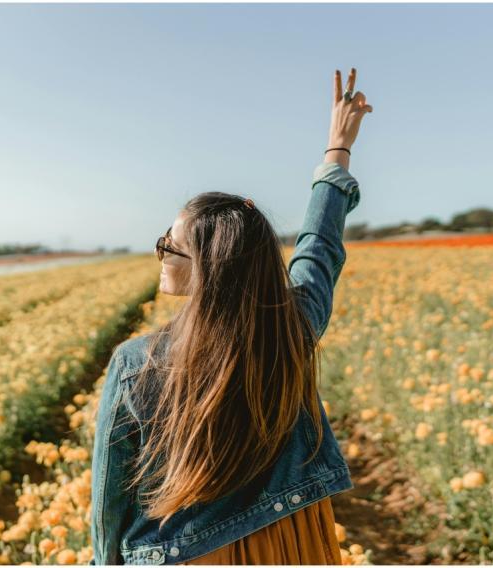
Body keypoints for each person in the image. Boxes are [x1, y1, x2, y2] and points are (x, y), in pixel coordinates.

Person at [91, 68, 373, 566]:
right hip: (290, 540)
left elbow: (109, 505)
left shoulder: (136, 364)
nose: (159, 254)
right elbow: (318, 249)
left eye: (169, 247)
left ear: (208, 266)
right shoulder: (292, 329)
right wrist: (337, 150)